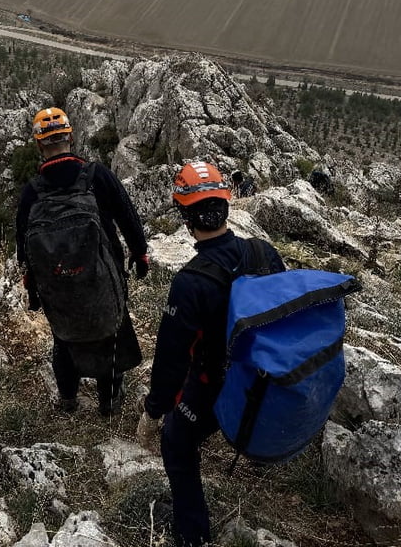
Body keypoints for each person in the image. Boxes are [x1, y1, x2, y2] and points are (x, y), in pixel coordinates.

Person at [138, 160, 286, 547]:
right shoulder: (264, 253)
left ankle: (193, 535)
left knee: (176, 443)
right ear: (226, 203)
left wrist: (154, 410)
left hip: (215, 387)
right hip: (265, 379)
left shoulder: (190, 283)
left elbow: (171, 361)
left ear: (186, 217)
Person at [16, 107, 149, 416]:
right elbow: (127, 216)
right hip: (103, 274)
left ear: (39, 144)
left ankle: (68, 399)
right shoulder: (96, 175)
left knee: (63, 337)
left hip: (56, 283)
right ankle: (109, 402)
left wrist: (32, 287)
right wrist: (139, 253)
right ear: (71, 138)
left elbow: (23, 244)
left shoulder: (32, 191)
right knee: (110, 333)